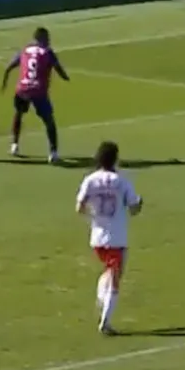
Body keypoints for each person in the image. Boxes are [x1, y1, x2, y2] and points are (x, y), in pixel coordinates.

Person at [75, 140, 144, 335]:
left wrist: (95, 219)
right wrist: (140, 204)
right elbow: (134, 208)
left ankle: (102, 299)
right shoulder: (121, 181)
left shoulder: (90, 180)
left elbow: (79, 207)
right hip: (117, 237)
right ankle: (105, 319)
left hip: (97, 237)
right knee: (115, 276)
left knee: (111, 270)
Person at [2, 27, 71, 163]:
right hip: (38, 91)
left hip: (22, 89)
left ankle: (14, 145)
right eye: (47, 39)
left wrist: (4, 83)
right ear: (42, 39)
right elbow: (59, 69)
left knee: (18, 114)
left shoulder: (24, 50)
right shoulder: (47, 52)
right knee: (49, 121)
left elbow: (8, 67)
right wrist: (66, 78)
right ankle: (53, 152)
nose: (49, 41)